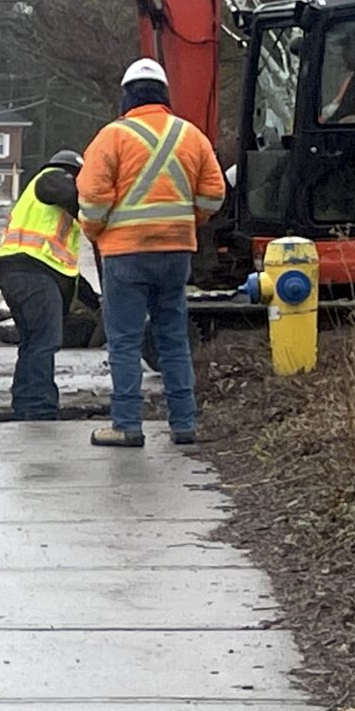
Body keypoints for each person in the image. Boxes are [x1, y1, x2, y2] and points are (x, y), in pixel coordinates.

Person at [76, 59, 226, 447]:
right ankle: (184, 424)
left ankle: (126, 424)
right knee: (173, 339)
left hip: (125, 255)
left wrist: (95, 231)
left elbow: (92, 200)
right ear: (164, 95)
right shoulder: (190, 136)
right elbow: (214, 193)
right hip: (175, 252)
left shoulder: (112, 137)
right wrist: (187, 220)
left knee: (124, 341)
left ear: (127, 96)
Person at [0, 149, 87, 420]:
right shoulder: (52, 178)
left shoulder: (37, 199)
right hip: (33, 273)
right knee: (45, 342)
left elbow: (63, 262)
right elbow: (54, 187)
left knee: (33, 342)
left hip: (16, 273)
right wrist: (91, 208)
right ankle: (39, 408)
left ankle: (25, 404)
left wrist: (91, 298)